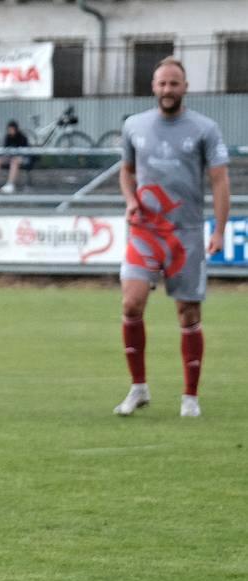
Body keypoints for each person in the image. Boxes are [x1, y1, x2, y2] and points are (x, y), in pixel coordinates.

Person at [114, 57, 231, 419]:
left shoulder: (205, 129)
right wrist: (131, 200)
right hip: (145, 232)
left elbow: (219, 181)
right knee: (131, 303)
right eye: (162, 83)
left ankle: (190, 396)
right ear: (153, 86)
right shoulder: (134, 126)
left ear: (185, 87)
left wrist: (219, 230)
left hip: (186, 234)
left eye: (174, 83)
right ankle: (138, 388)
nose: (167, 90)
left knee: (188, 313)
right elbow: (126, 172)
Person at [0, 120, 30, 194]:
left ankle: (10, 184)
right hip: (10, 157)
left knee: (14, 161)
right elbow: (5, 149)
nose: (10, 131)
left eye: (12, 129)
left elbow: (25, 152)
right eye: (9, 129)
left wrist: (16, 155)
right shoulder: (7, 137)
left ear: (16, 129)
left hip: (22, 158)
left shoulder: (22, 137)